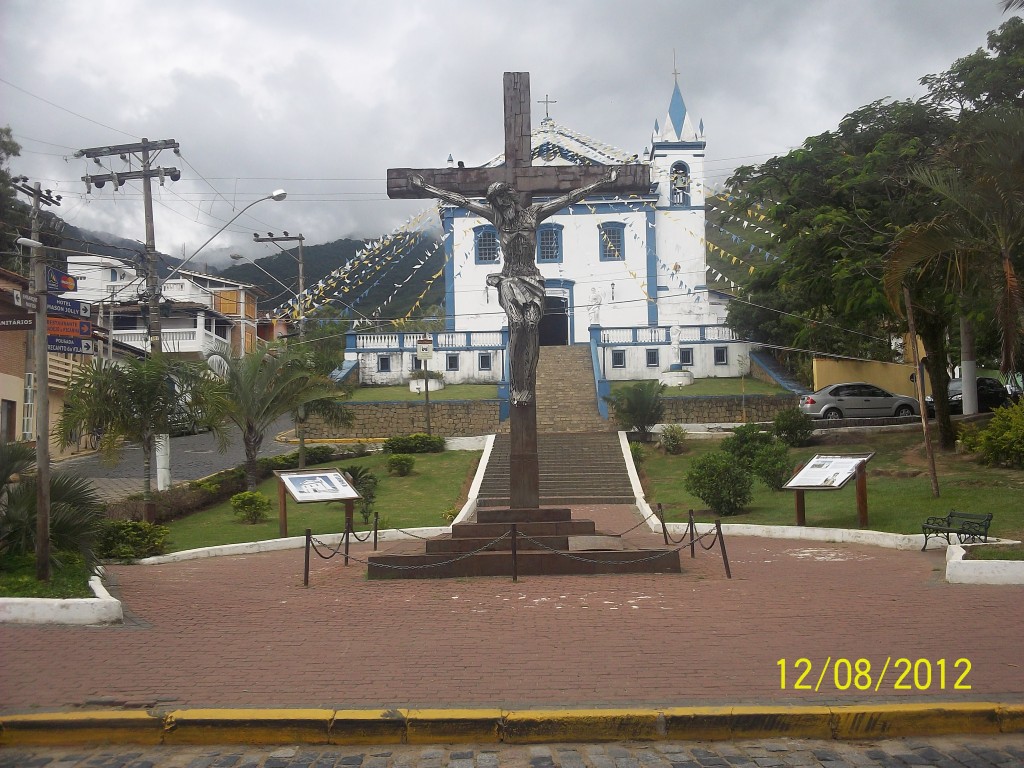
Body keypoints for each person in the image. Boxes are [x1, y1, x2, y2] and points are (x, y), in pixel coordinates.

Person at [410, 169, 618, 404]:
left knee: (531, 325)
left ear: (511, 198)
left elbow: (570, 198)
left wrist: (602, 181)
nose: (501, 206)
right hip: (508, 280)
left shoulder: (533, 215)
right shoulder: (496, 219)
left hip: (532, 280)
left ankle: (527, 383)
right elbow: (463, 201)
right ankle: (516, 386)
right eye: (497, 203)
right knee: (517, 324)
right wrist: (426, 188)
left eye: (503, 200)